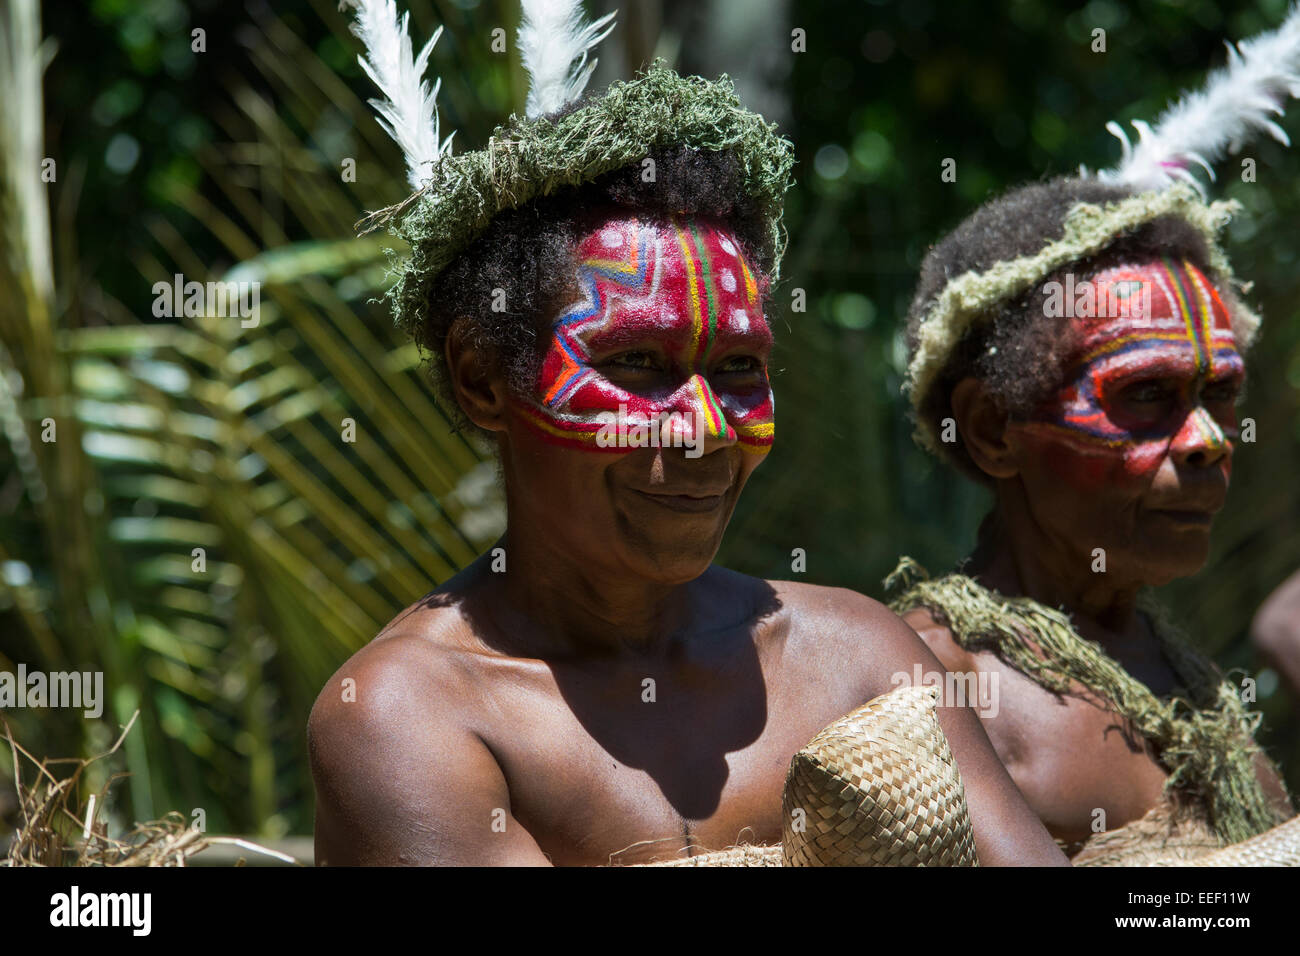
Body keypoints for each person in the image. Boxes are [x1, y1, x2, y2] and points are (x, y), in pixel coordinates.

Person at [307, 1, 1066, 867]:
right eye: (635, 363)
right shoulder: (411, 713)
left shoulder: (855, 656)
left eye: (740, 369)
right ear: (484, 377)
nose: (707, 430)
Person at [886, 11, 1300, 864]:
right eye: (1145, 395)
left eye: (1220, 395)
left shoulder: (1185, 679)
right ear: (997, 429)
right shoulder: (927, 686)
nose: (1208, 441)